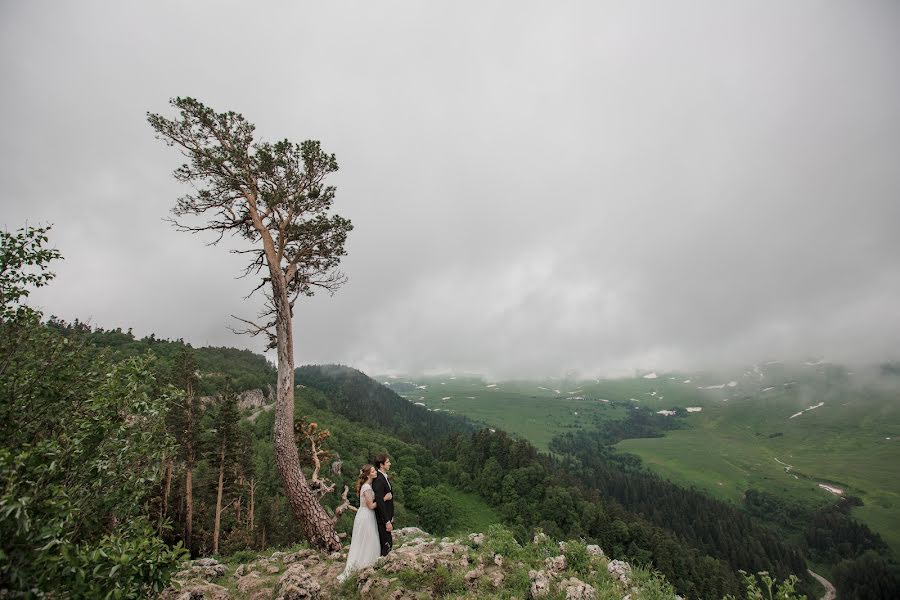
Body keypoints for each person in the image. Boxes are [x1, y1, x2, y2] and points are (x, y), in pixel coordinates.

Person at [337, 465, 381, 582]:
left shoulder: (368, 485)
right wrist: (384, 499)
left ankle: (366, 563)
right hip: (366, 516)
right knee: (367, 539)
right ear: (368, 475)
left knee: (366, 540)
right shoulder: (366, 487)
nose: (375, 472)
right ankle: (363, 565)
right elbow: (371, 505)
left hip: (366, 515)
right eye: (373, 471)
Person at [371, 453, 395, 556]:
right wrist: (386, 521)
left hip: (386, 517)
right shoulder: (379, 480)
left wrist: (391, 516)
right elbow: (380, 502)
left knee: (388, 543)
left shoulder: (383, 477)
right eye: (388, 462)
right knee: (386, 544)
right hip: (382, 520)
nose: (390, 464)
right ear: (381, 464)